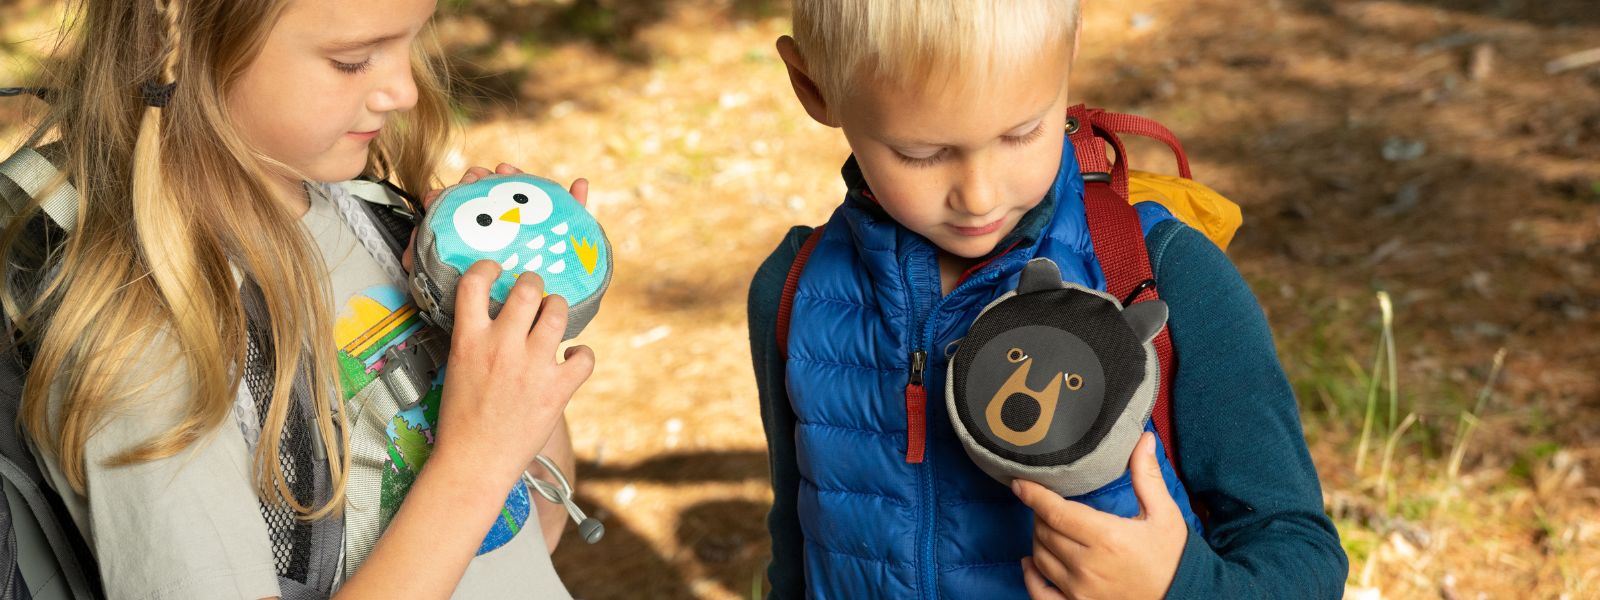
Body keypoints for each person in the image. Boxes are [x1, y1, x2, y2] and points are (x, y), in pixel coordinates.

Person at [746, 1, 1348, 597]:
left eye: (1021, 133)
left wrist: (1177, 586)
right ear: (813, 86)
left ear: (1071, 47)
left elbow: (1298, 551)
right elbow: (795, 549)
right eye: (921, 153)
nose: (978, 197)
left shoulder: (1159, 272)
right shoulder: (796, 288)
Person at [2, 0, 594, 597]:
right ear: (183, 45)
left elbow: (531, 533)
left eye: (410, 42)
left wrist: (498, 316)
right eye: (353, 61)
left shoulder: (367, 217)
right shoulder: (150, 337)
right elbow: (484, 476)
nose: (405, 91)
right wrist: (475, 463)